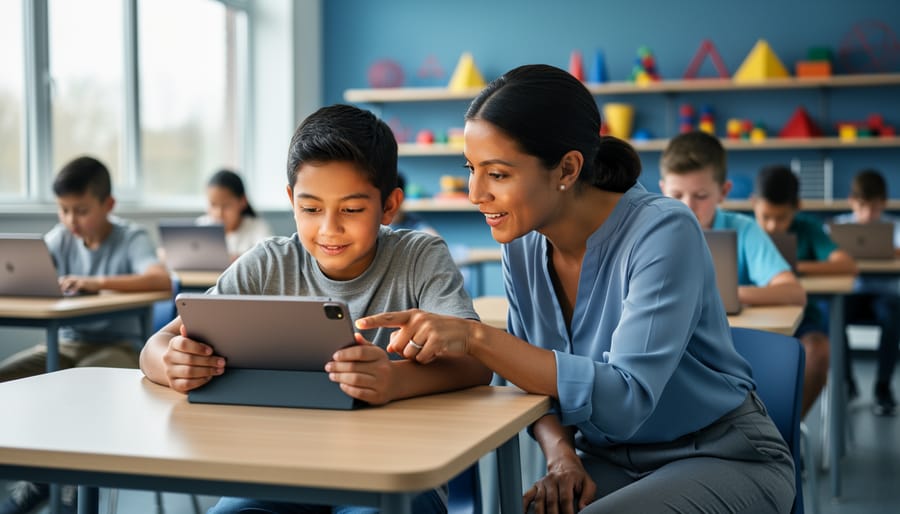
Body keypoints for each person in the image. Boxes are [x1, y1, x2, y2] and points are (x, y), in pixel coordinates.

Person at [356, 65, 795, 513]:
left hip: (721, 455)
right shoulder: (522, 239)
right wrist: (561, 457)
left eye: (498, 174)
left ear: (567, 168)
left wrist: (475, 337)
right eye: (471, 169)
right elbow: (535, 381)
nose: (475, 193)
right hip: (608, 460)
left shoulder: (664, 230)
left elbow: (627, 399)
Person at [139, 104, 492, 514]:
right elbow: (154, 347)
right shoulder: (267, 264)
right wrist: (172, 363)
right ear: (291, 201)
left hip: (393, 474)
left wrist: (395, 381)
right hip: (278, 473)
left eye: (352, 210)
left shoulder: (419, 257)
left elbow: (478, 364)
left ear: (390, 205)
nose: (329, 228)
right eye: (310, 209)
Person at [0, 156, 171, 514]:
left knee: (74, 392)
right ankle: (40, 475)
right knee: (7, 380)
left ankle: (66, 482)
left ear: (108, 205)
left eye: (80, 210)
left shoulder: (130, 237)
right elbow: (28, 267)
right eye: (63, 210)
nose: (70, 221)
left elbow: (160, 280)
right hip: (64, 344)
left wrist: (96, 283)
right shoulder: (61, 238)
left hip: (120, 349)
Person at [658, 131, 807, 308]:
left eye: (701, 195)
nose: (687, 206)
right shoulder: (650, 234)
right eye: (676, 195)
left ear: (724, 192)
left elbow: (794, 293)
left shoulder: (744, 230)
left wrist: (725, 295)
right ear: (663, 190)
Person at [752, 164, 857, 416]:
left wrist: (789, 268)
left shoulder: (808, 228)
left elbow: (846, 264)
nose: (772, 226)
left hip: (802, 321)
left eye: (781, 218)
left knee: (819, 350)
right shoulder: (745, 228)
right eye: (766, 216)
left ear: (797, 207)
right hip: (752, 322)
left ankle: (788, 430)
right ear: (753, 202)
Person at [832, 169, 899, 415]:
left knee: (891, 316)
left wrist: (887, 251)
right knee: (834, 316)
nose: (868, 214)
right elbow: (826, 256)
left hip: (886, 295)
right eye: (862, 207)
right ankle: (847, 384)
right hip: (853, 293)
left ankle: (883, 387)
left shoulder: (895, 227)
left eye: (874, 207)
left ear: (883, 203)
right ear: (852, 201)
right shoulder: (839, 227)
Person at [197, 168, 273, 260]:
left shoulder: (258, 229)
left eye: (226, 206)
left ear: (242, 201)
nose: (219, 213)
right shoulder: (201, 226)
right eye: (213, 205)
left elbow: (268, 258)